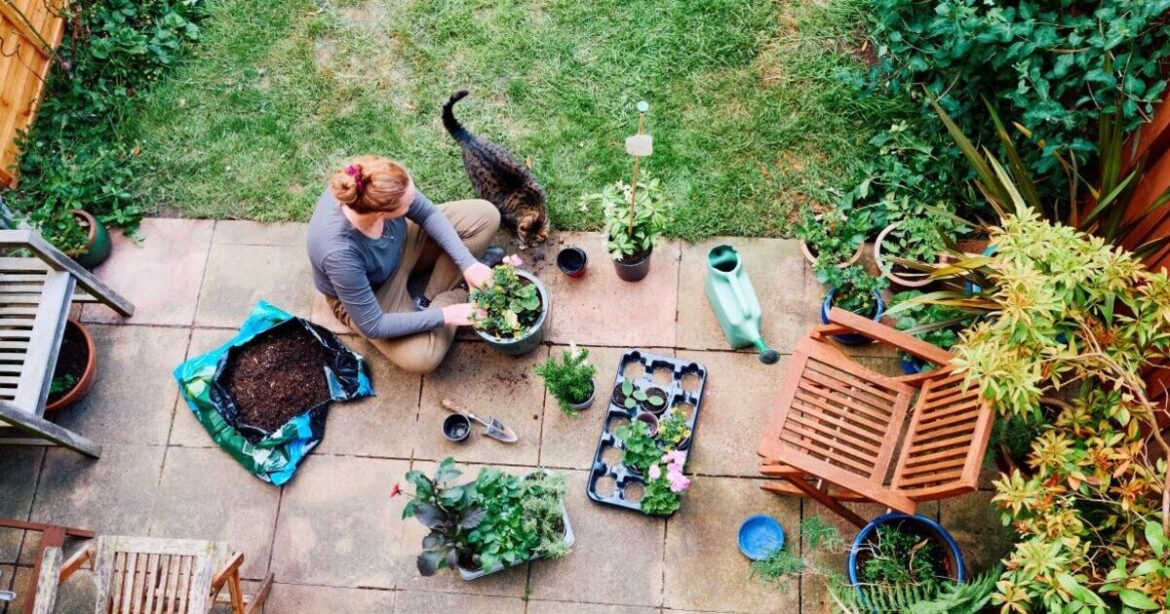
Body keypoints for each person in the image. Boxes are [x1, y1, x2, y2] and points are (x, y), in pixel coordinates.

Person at [307, 156, 501, 374]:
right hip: (375, 290)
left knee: (486, 216)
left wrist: (468, 265)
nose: (414, 202)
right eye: (407, 204)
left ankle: (426, 299)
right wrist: (446, 315)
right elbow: (374, 326)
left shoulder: (370, 181)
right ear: (381, 213)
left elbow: (427, 213)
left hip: (402, 243)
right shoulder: (338, 253)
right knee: (423, 357)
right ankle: (456, 296)